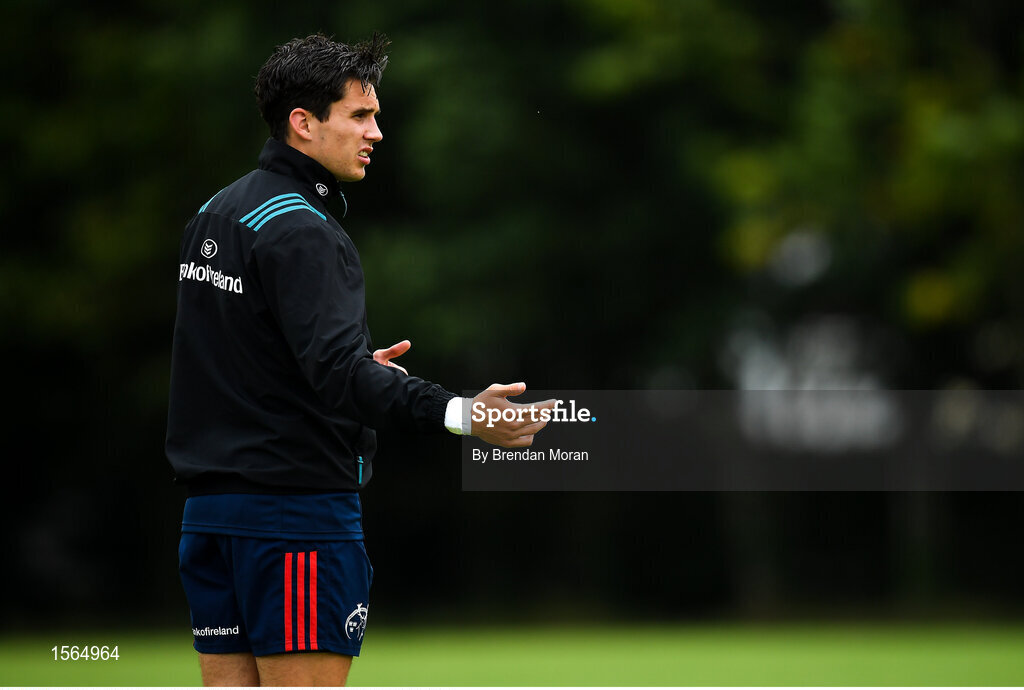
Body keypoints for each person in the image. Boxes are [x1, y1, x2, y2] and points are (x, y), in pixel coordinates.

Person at [166, 33, 554, 687]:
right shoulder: (306, 231)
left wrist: (344, 366)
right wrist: (462, 413)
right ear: (303, 123)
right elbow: (342, 374)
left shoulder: (216, 212)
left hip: (211, 520)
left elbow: (245, 358)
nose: (377, 131)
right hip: (293, 522)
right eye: (360, 115)